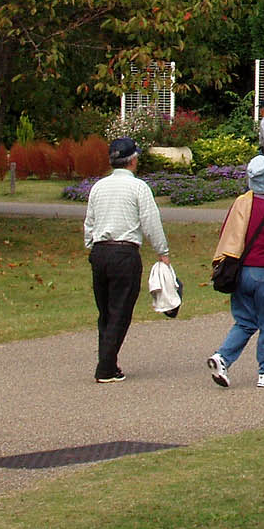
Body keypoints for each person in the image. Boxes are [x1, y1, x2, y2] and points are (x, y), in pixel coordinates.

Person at [82, 136, 170, 383]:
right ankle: (106, 367)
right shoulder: (138, 187)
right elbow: (150, 221)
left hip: (100, 251)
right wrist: (162, 251)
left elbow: (90, 222)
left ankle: (108, 362)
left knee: (105, 311)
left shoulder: (98, 187)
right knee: (120, 311)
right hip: (124, 252)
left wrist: (90, 245)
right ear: (132, 160)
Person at [207, 155, 264, 389]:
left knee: (245, 321)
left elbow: (227, 235)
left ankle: (223, 357)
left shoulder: (240, 207)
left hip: (239, 272)